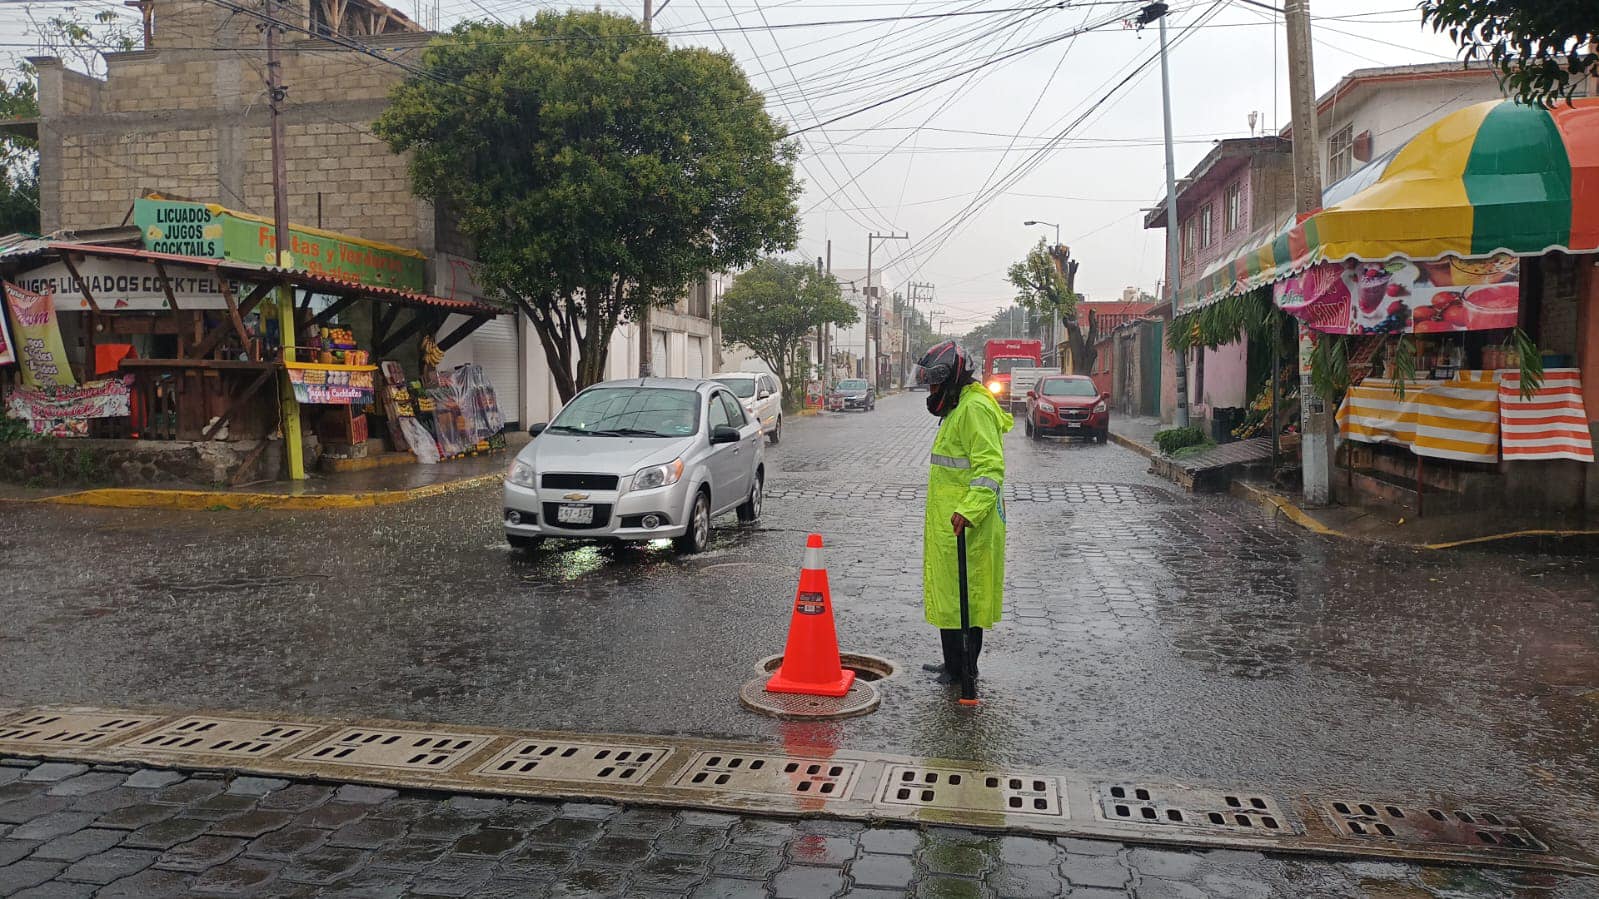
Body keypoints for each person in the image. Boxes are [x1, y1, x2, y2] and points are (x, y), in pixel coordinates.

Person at [915, 341, 1013, 685]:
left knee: (966, 597)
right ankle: (951, 663)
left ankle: (965, 669)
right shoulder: (958, 406)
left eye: (934, 384)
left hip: (968, 523)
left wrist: (969, 510)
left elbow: (990, 468)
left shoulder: (974, 409)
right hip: (951, 521)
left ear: (952, 379)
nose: (932, 392)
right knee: (950, 596)